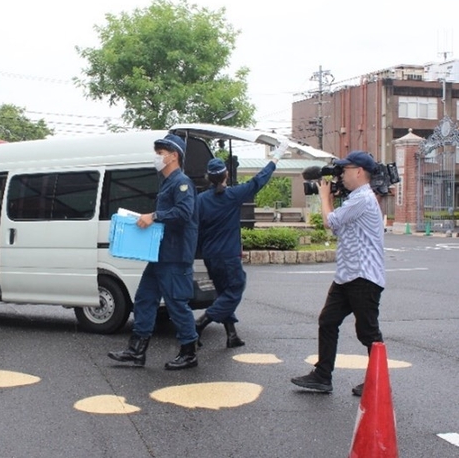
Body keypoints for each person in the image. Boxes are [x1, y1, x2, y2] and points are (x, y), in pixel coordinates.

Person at [291, 151, 385, 396]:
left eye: (344, 170)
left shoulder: (362, 198)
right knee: (328, 321)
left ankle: (378, 382)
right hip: (347, 275)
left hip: (364, 277)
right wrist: (328, 200)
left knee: (368, 333)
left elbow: (330, 221)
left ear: (359, 171)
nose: (341, 175)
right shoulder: (356, 198)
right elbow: (332, 224)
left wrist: (324, 196)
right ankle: (322, 376)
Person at [108, 133, 200, 370]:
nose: (156, 158)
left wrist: (155, 216)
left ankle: (189, 352)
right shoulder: (167, 183)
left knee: (177, 303)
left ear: (173, 156)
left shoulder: (182, 182)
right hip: (159, 255)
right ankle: (136, 352)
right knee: (144, 299)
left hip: (175, 256)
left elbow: (184, 213)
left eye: (160, 154)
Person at [195, 140, 289, 347]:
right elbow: (259, 180)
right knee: (235, 289)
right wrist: (276, 157)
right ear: (226, 175)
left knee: (223, 293)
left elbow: (195, 228)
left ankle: (232, 335)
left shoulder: (200, 200)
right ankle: (201, 323)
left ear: (209, 178)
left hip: (210, 256)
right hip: (229, 256)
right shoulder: (233, 196)